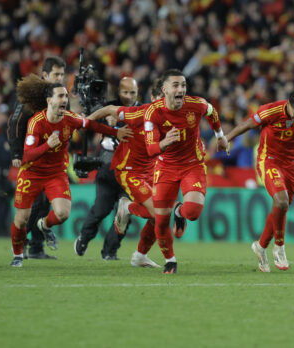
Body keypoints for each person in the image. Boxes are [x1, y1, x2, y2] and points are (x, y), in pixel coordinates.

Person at [9, 75, 131, 267]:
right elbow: (25, 157)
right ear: (49, 100)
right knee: (22, 219)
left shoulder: (70, 119)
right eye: (60, 96)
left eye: (66, 96)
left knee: (63, 214)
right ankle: (17, 254)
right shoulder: (36, 123)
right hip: (32, 173)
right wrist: (47, 146)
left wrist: (116, 132)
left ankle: (45, 225)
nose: (65, 100)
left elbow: (91, 125)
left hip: (55, 174)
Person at [143, 69, 228, 274]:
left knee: (192, 212)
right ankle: (170, 260)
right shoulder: (152, 112)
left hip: (193, 164)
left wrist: (220, 136)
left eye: (183, 85)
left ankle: (179, 211)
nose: (181, 89)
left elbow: (212, 112)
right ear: (164, 90)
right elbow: (150, 149)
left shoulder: (196, 104)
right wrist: (165, 142)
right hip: (165, 166)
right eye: (176, 85)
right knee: (160, 221)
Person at [224, 88, 294, 272]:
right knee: (281, 202)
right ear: (288, 104)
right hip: (269, 160)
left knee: (280, 207)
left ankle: (260, 246)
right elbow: (248, 124)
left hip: (290, 164)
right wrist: (227, 138)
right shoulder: (270, 111)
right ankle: (280, 247)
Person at [86, 78, 165, 268]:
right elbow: (110, 110)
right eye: (161, 97)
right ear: (153, 97)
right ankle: (127, 210)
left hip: (151, 171)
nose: (165, 101)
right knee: (160, 213)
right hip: (130, 170)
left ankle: (140, 254)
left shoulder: (173, 118)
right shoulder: (141, 112)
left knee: (162, 215)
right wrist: (85, 121)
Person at [75, 76, 139, 261]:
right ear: (118, 92)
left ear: (138, 92)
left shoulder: (141, 110)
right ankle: (84, 237)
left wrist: (116, 124)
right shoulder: (107, 108)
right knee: (101, 209)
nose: (128, 96)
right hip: (108, 165)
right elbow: (91, 123)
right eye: (125, 92)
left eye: (132, 92)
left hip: (131, 169)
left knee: (125, 214)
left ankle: (110, 251)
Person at [7, 56, 65, 259]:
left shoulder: (60, 98)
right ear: (45, 75)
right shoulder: (31, 98)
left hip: (50, 162)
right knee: (34, 206)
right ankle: (23, 244)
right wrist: (16, 152)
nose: (60, 78)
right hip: (31, 159)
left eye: (62, 74)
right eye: (56, 74)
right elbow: (15, 124)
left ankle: (36, 247)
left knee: (45, 204)